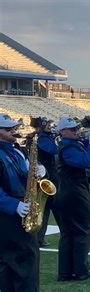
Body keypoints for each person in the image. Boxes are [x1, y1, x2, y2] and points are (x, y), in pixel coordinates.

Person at [55, 117, 90, 281]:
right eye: (72, 129)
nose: (77, 131)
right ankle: (81, 270)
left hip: (70, 190)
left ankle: (66, 271)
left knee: (69, 233)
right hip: (74, 191)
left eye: (76, 128)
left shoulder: (72, 144)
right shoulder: (67, 148)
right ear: (62, 131)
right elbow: (87, 162)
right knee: (82, 230)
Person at [0, 114, 40, 291]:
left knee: (22, 257)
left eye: (14, 127)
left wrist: (38, 171)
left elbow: (25, 173)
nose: (14, 130)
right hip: (8, 212)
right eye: (8, 129)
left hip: (23, 205)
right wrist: (13, 205)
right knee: (20, 257)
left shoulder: (17, 149)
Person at [35, 117, 61, 248]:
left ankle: (39, 238)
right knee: (49, 207)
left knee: (50, 207)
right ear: (41, 126)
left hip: (51, 173)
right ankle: (39, 238)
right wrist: (60, 139)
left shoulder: (47, 137)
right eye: (48, 125)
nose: (51, 126)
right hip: (46, 175)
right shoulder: (42, 139)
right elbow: (53, 150)